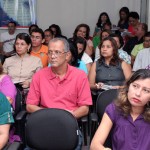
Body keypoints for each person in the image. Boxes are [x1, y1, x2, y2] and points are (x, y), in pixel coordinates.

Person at [26, 38, 92, 119]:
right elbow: (30, 106)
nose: (53, 56)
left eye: (57, 52)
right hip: (45, 119)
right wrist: (49, 115)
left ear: (67, 55)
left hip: (69, 120)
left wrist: (68, 116)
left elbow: (85, 108)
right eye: (50, 52)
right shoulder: (39, 75)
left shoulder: (80, 76)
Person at [90, 69, 150, 150]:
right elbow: (94, 145)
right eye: (135, 86)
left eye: (146, 90)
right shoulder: (114, 109)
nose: (138, 93)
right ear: (128, 86)